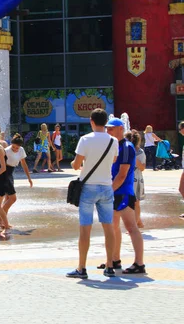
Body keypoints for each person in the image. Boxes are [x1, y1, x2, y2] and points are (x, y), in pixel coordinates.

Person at [66, 108, 118, 279]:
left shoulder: (85, 140)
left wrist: (80, 161)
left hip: (88, 187)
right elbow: (114, 160)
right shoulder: (113, 141)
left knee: (85, 228)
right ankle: (110, 265)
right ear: (106, 123)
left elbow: (75, 165)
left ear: (91, 121)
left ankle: (82, 268)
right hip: (106, 186)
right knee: (108, 226)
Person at [104, 118, 146, 274]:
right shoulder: (115, 146)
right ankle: (114, 260)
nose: (108, 131)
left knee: (131, 227)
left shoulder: (127, 147)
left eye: (111, 129)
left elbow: (122, 175)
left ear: (120, 129)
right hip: (116, 192)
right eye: (107, 129)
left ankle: (139, 263)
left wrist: (109, 191)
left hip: (123, 193)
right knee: (113, 227)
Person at [0, 133, 33, 229]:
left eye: (17, 148)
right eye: (13, 147)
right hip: (4, 174)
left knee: (7, 199)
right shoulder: (6, 151)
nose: (15, 149)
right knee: (13, 199)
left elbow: (24, 164)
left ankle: (3, 221)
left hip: (10, 174)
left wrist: (29, 178)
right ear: (11, 144)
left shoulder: (21, 150)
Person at [126, 130, 146, 228]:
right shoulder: (125, 150)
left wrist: (134, 157)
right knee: (130, 203)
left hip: (136, 181)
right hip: (127, 180)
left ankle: (134, 226)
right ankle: (138, 222)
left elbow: (142, 168)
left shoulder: (140, 152)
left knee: (135, 202)